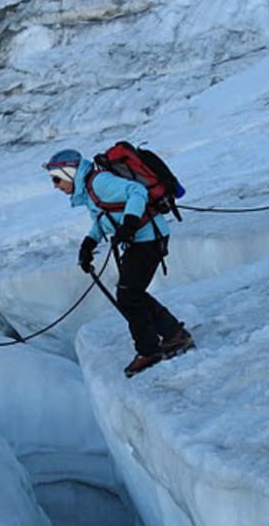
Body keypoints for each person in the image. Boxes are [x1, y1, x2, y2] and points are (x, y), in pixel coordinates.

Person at [43, 148, 193, 378]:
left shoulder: (99, 182)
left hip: (148, 238)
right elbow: (103, 219)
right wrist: (88, 244)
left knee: (128, 295)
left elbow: (137, 191)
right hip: (141, 240)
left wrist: (130, 224)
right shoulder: (90, 189)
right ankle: (173, 334)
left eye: (56, 179)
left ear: (69, 173)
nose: (55, 186)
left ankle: (149, 350)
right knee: (132, 293)